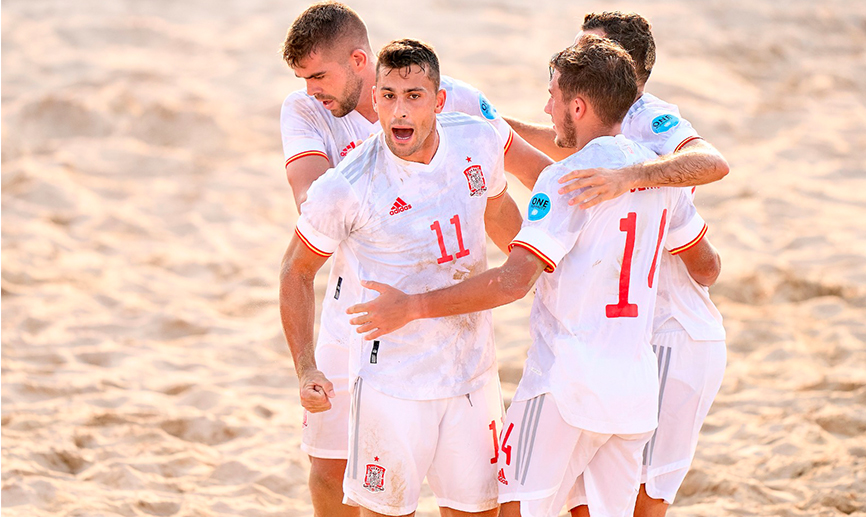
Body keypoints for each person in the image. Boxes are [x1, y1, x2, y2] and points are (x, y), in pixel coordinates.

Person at [347, 37, 721, 517]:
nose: (547, 107)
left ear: (579, 106)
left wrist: (412, 307)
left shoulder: (569, 178)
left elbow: (512, 282)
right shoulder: (658, 176)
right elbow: (707, 266)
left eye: (553, 96)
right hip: (633, 389)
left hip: (564, 384)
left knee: (517, 512)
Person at [278, 3, 551, 516]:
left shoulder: (464, 110)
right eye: (390, 99)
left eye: (318, 75)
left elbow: (521, 174)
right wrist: (378, 188)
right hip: (355, 315)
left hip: (454, 324)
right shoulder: (310, 115)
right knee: (332, 466)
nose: (309, 88)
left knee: (479, 498)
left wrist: (544, 257)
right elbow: (311, 204)